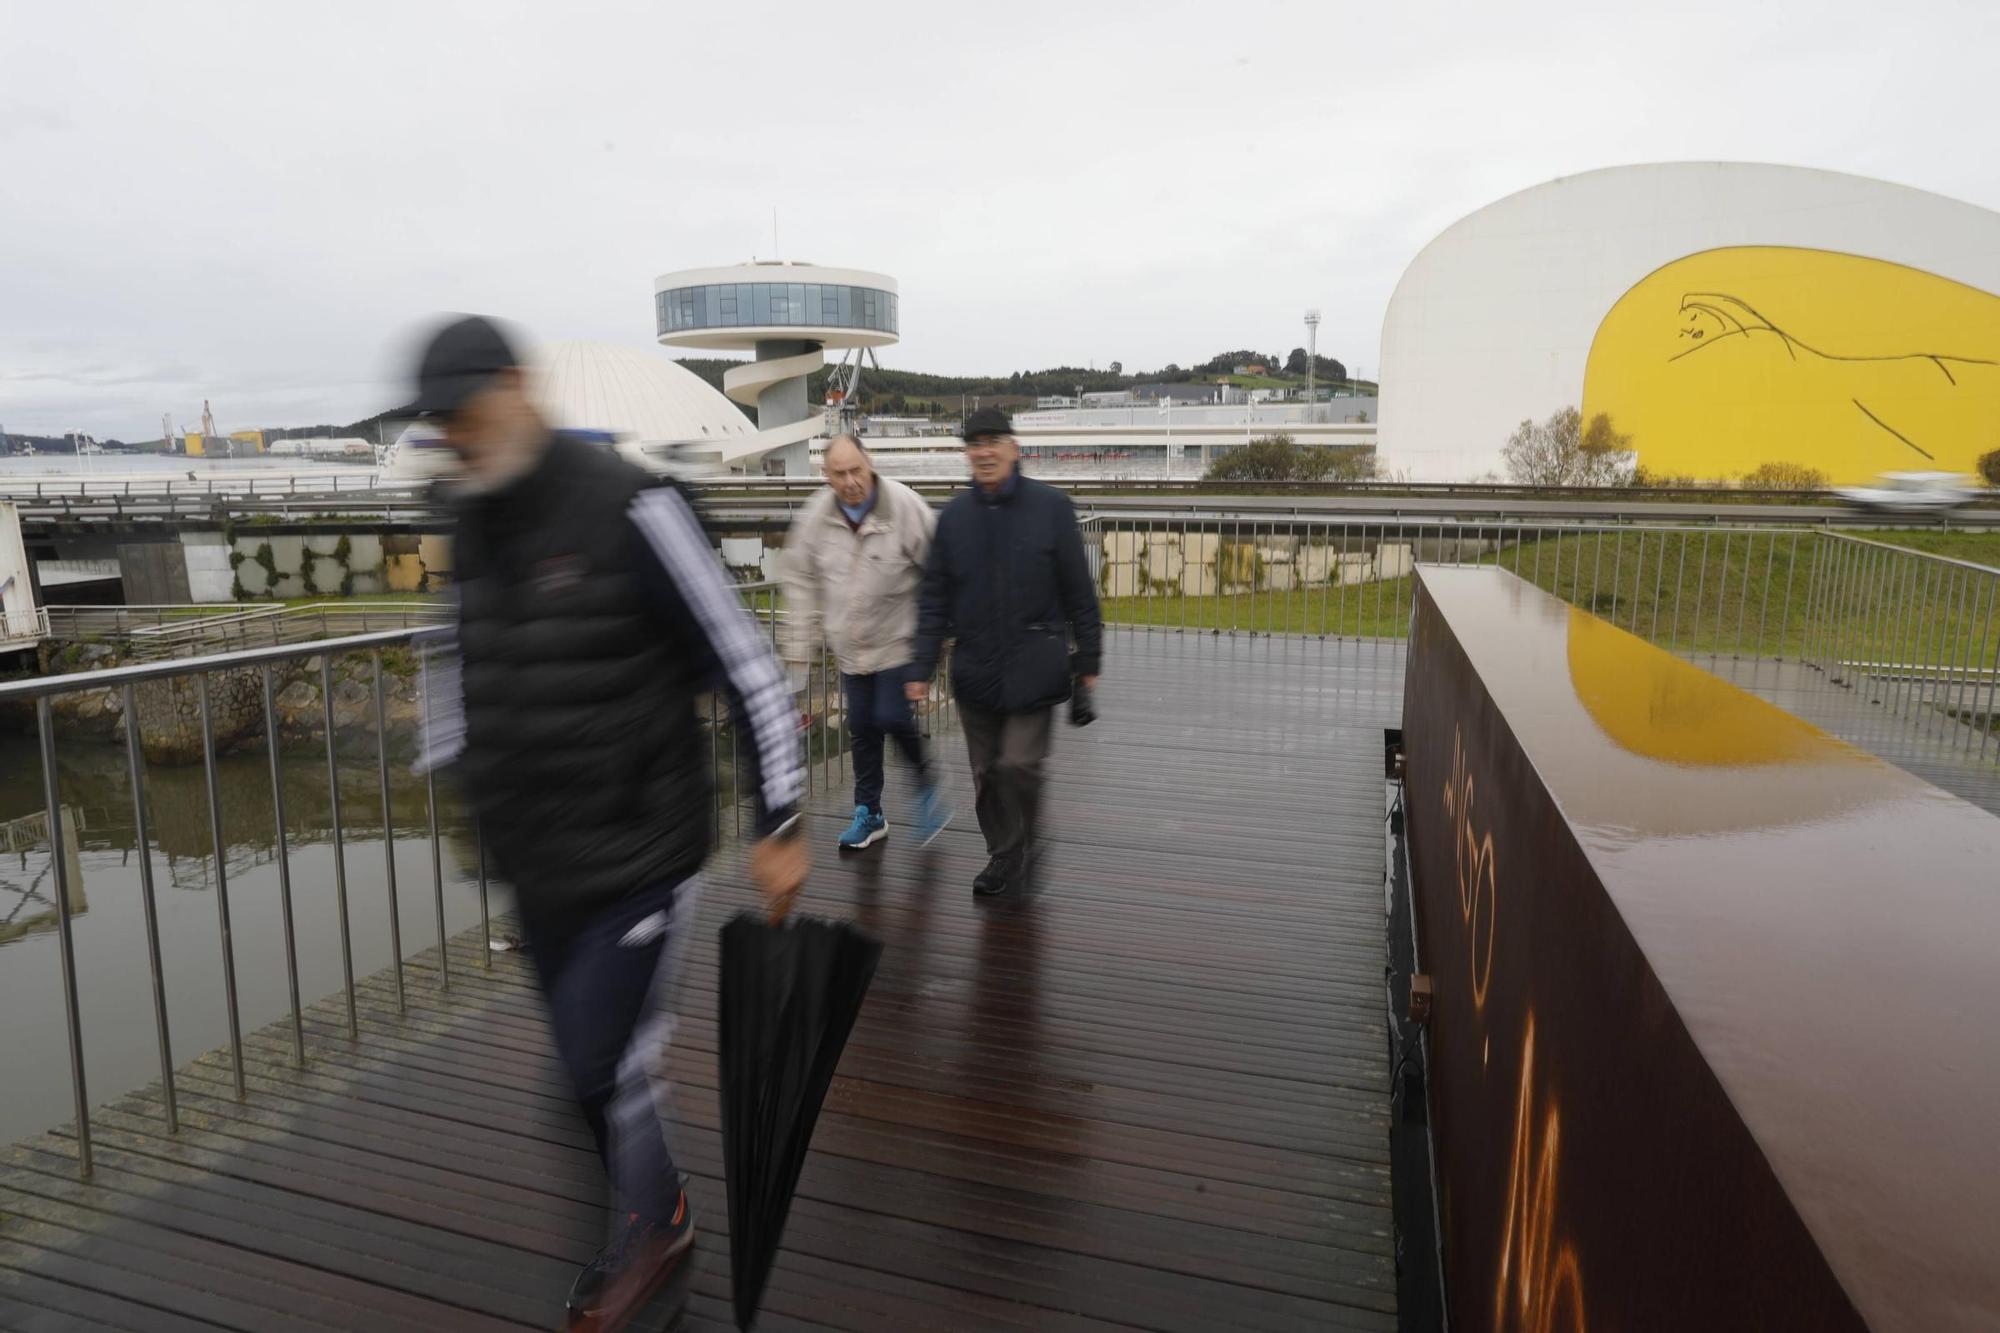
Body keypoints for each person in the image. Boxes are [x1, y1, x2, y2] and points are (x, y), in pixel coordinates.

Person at [408, 315, 806, 1332]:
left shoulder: (630, 507)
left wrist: (780, 821)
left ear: (515, 386)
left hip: (640, 848)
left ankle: (646, 1237)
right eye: (439, 422)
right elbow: (455, 668)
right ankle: (658, 1205)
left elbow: (748, 665)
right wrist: (459, 780)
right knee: (595, 1079)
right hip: (536, 861)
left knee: (599, 1064)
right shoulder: (470, 518)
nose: (453, 435)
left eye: (464, 411)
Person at [909, 407, 1102, 898]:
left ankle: (1028, 837)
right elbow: (934, 597)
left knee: (1018, 764)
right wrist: (921, 665)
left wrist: (1089, 663)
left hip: (1035, 665)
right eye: (975, 443)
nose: (985, 451)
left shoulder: (1052, 508)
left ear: (1014, 448)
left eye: (994, 440)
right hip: (975, 669)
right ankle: (1004, 852)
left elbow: (1080, 591)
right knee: (985, 773)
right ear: (967, 454)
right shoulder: (953, 519)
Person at [781, 434, 952, 851]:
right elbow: (800, 582)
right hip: (850, 646)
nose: (851, 481)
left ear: (869, 463)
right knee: (862, 729)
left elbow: (941, 569)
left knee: (891, 716)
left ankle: (927, 782)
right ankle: (870, 812)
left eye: (856, 469)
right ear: (826, 475)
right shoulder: (815, 518)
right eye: (839, 473)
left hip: (898, 638)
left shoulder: (903, 506)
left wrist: (943, 636)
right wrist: (798, 655)